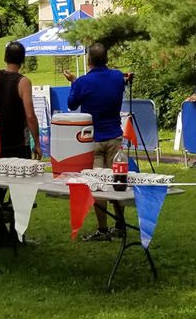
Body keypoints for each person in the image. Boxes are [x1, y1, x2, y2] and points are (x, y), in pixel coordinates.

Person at [63, 42, 127, 241]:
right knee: (117, 182)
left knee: (97, 185)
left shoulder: (83, 82)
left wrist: (74, 82)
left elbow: (72, 105)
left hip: (93, 139)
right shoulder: (117, 77)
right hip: (115, 135)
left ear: (88, 61)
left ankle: (103, 229)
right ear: (106, 59)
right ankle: (120, 225)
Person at [0, 25, 40, 159]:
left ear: (5, 58)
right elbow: (30, 116)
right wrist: (38, 143)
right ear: (22, 60)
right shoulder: (23, 82)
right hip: (18, 142)